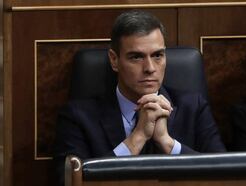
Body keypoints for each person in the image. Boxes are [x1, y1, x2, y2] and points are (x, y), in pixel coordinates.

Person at [54, 10, 226, 161]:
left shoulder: (194, 107)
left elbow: (223, 175)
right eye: (136, 57)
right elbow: (70, 184)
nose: (150, 68)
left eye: (158, 55)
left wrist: (167, 143)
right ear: (114, 60)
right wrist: (138, 137)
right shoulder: (78, 117)